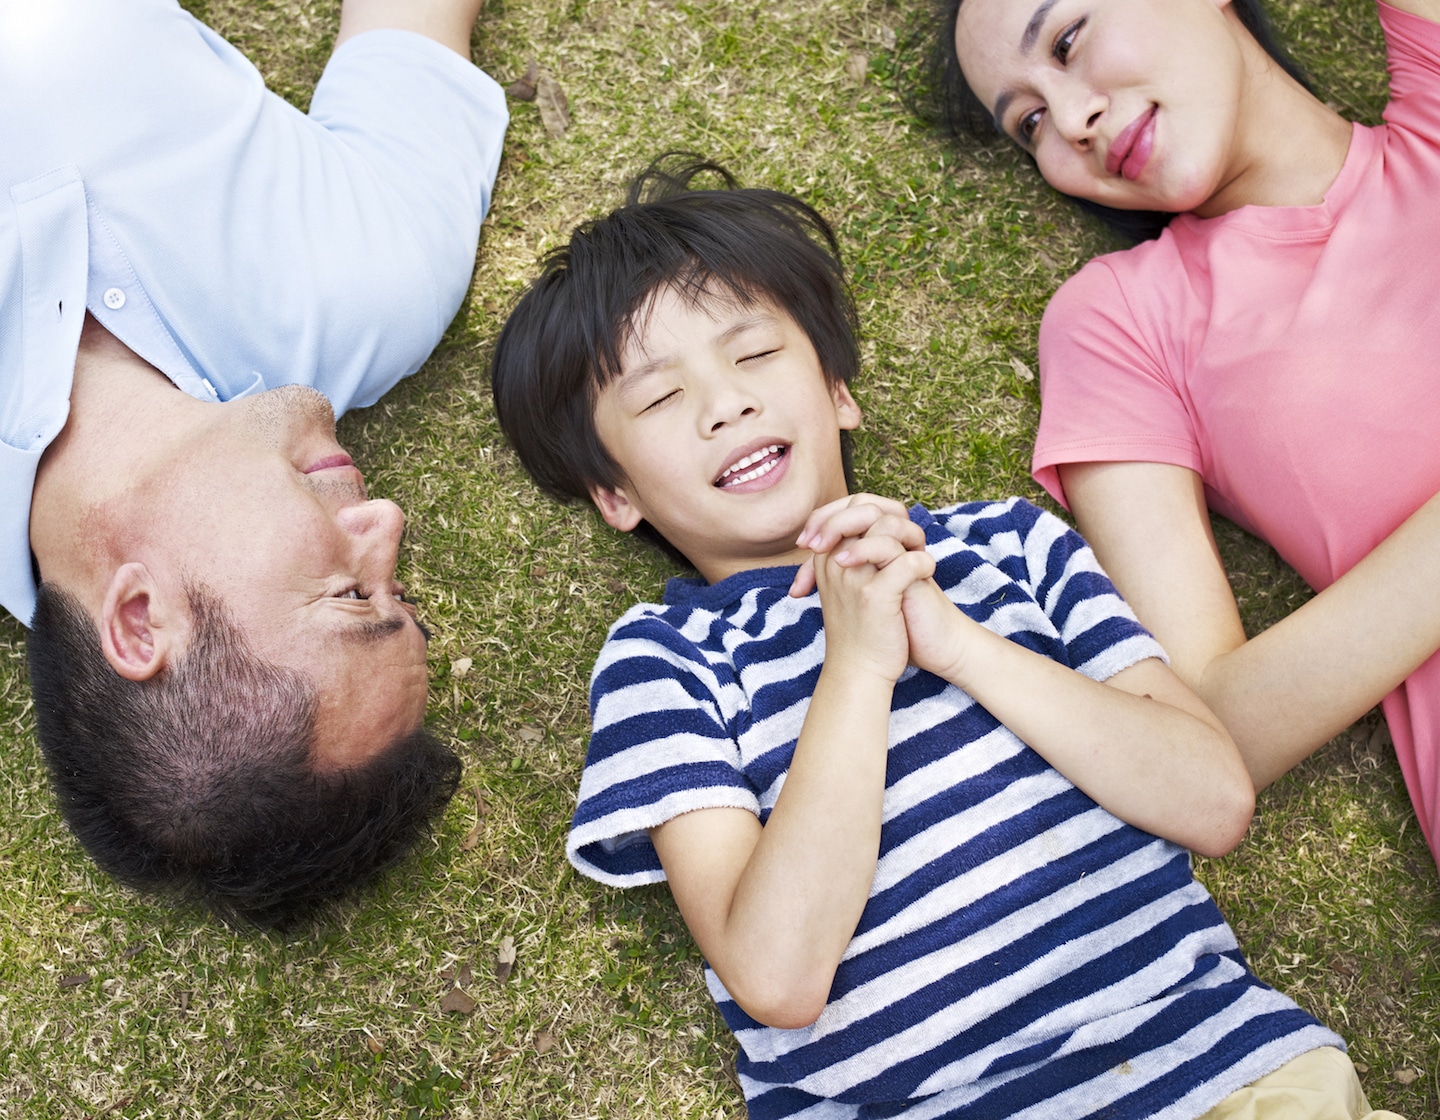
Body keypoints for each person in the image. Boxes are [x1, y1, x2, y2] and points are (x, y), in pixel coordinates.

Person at [488, 160, 1398, 1120]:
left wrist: (959, 643)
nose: (727, 404)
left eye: (753, 355)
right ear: (616, 494)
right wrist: (857, 667)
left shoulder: (1009, 546)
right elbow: (777, 973)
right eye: (660, 400)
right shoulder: (662, 661)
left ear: (837, 389)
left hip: (1225, 1074)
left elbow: (1213, 801)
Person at [2, 0, 508, 926]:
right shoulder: (367, 288)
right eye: (396, 591)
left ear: (141, 619)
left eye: (352, 597)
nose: (386, 525)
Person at [939, 0, 1440, 872]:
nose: (1072, 120)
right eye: (1029, 124)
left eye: (1067, 40)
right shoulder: (1123, 322)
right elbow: (1209, 734)